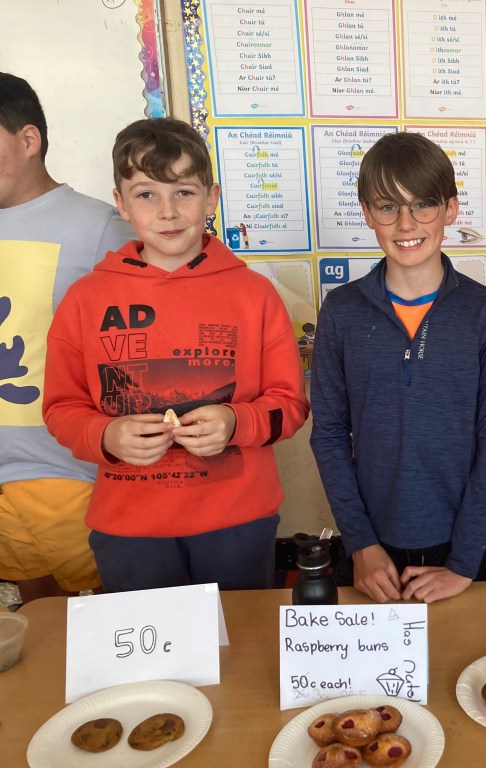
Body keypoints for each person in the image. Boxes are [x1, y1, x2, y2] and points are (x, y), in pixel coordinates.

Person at [42, 117, 309, 592]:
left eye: (184, 192)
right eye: (146, 194)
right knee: (146, 643)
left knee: (240, 637)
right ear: (121, 203)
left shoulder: (255, 294)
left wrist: (235, 422)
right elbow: (61, 409)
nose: (167, 212)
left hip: (238, 522)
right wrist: (106, 434)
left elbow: (290, 405)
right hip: (129, 529)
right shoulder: (86, 299)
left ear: (211, 198)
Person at [309, 131, 486, 604]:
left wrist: (463, 563)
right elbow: (329, 434)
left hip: (462, 546)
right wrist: (361, 544)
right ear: (368, 214)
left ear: (450, 209)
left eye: (423, 204)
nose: (406, 223)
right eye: (388, 207)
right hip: (370, 547)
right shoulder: (341, 312)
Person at [0, 72, 136, 604]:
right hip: (6, 484)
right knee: (33, 629)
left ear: (29, 140)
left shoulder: (102, 227)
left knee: (108, 624)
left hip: (73, 474)